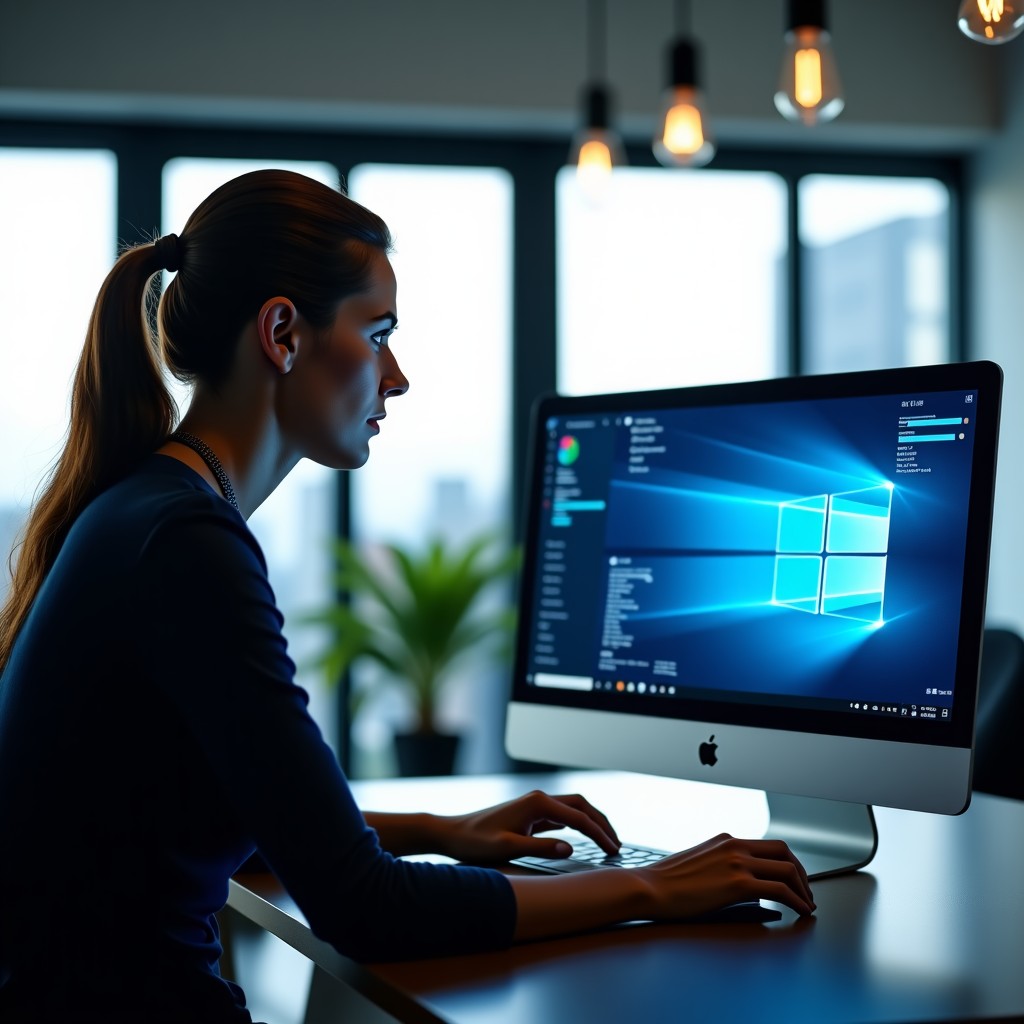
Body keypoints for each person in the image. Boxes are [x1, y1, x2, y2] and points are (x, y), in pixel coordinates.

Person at [0, 169, 814, 1022]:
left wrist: (439, 829)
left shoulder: (146, 509)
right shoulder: (187, 544)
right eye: (378, 332)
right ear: (282, 333)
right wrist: (650, 885)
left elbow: (215, 817)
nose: (398, 376)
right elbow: (366, 910)